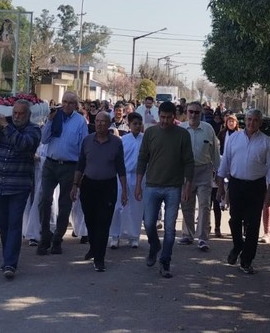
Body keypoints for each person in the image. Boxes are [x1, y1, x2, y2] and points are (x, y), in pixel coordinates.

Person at [135, 101, 194, 278]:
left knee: (169, 227)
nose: (165, 121)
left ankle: (165, 261)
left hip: (173, 187)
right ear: (158, 115)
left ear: (174, 117)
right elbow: (142, 159)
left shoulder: (182, 135)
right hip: (152, 185)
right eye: (162, 117)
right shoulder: (151, 133)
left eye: (169, 118)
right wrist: (138, 184)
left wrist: (187, 186)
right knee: (149, 223)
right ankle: (154, 246)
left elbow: (189, 162)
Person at [216, 109, 270, 274]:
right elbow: (225, 164)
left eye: (255, 120)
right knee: (235, 220)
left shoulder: (266, 143)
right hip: (236, 185)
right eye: (249, 120)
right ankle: (237, 246)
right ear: (245, 121)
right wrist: (221, 187)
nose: (251, 123)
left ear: (260, 123)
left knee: (253, 224)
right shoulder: (234, 139)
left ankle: (246, 260)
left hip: (256, 187)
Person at [0, 99, 42, 279]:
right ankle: (7, 257)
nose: (17, 117)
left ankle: (10, 263)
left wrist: (6, 127)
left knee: (14, 224)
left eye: (21, 114)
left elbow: (23, 144)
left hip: (18, 186)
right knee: (3, 224)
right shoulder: (3, 128)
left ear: (28, 115)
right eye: (15, 113)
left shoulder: (33, 130)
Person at [70, 111, 128, 272]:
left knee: (104, 222)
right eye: (97, 121)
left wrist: (124, 190)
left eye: (103, 121)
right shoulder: (87, 141)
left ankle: (99, 258)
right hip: (88, 185)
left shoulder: (116, 142)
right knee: (90, 220)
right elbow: (80, 165)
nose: (100, 124)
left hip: (108, 186)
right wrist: (75, 185)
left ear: (109, 124)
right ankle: (94, 247)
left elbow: (121, 167)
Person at [38, 90, 88, 255]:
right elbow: (44, 139)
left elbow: (83, 148)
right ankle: (45, 236)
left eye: (70, 103)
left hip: (69, 166)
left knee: (65, 203)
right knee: (44, 200)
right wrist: (50, 122)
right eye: (64, 102)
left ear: (75, 105)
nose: (66, 105)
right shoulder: (54, 117)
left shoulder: (80, 122)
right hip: (51, 164)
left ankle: (57, 239)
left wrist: (80, 174)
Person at [179, 101, 221, 252]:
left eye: (197, 112)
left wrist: (219, 174)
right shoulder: (181, 129)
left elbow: (215, 153)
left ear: (201, 113)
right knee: (186, 204)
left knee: (204, 205)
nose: (193, 115)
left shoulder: (208, 129)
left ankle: (202, 237)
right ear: (186, 111)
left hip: (204, 170)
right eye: (191, 111)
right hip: (185, 172)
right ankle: (187, 235)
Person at [109, 112, 144, 249]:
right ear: (129, 124)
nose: (137, 126)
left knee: (136, 207)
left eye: (139, 124)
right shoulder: (123, 140)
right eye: (134, 123)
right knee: (118, 206)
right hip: (123, 175)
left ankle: (133, 236)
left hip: (139, 176)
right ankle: (115, 235)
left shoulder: (145, 139)